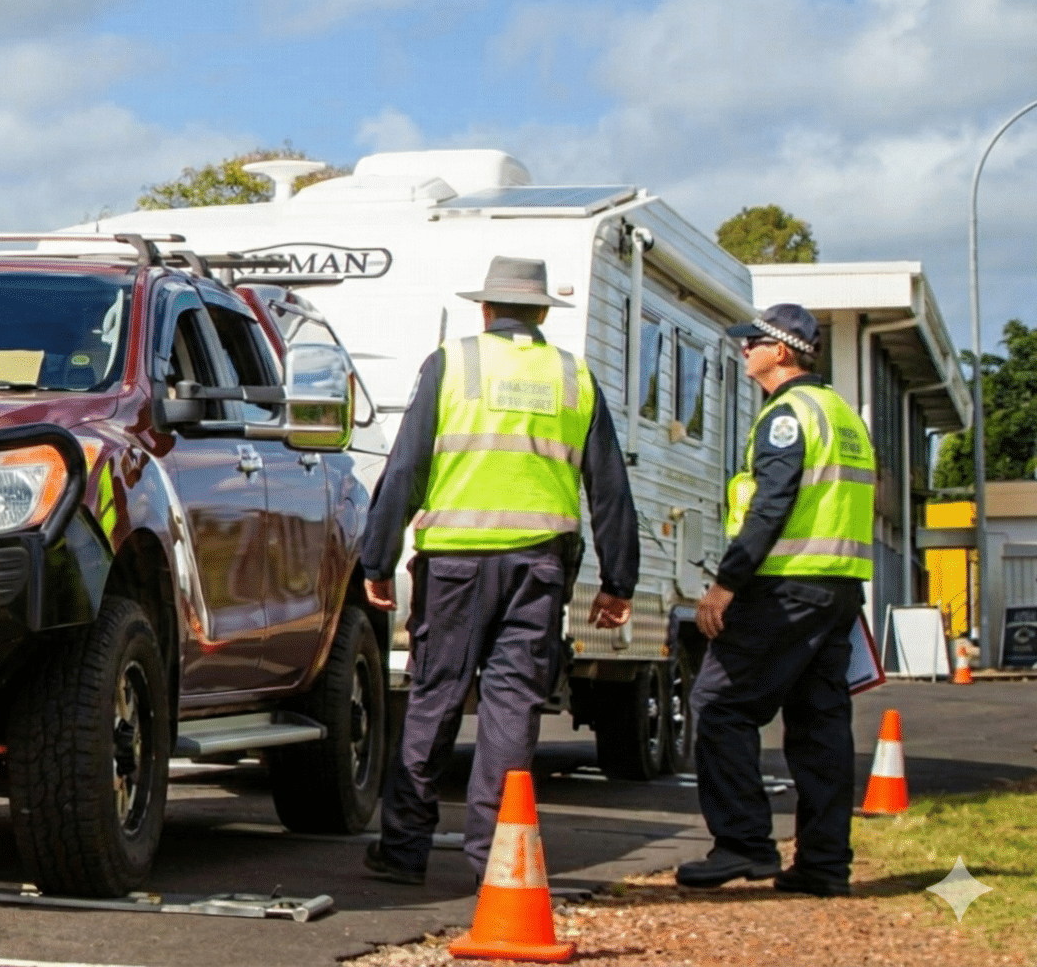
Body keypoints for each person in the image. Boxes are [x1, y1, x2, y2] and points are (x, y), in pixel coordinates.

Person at [360, 255, 640, 884]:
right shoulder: (574, 375)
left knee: (435, 699)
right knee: (513, 707)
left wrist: (377, 558)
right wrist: (619, 581)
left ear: (485, 309)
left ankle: (404, 850)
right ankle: (497, 858)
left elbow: (406, 467)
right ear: (542, 312)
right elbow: (610, 487)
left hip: (455, 567)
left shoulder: (452, 363)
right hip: (538, 570)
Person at [675, 303, 872, 897]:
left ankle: (743, 844)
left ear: (781, 352)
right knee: (820, 725)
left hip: (785, 586)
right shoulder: (841, 414)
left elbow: (772, 504)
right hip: (838, 590)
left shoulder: (788, 415)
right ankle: (824, 865)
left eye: (753, 343)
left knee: (719, 705)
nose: (744, 350)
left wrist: (726, 583)